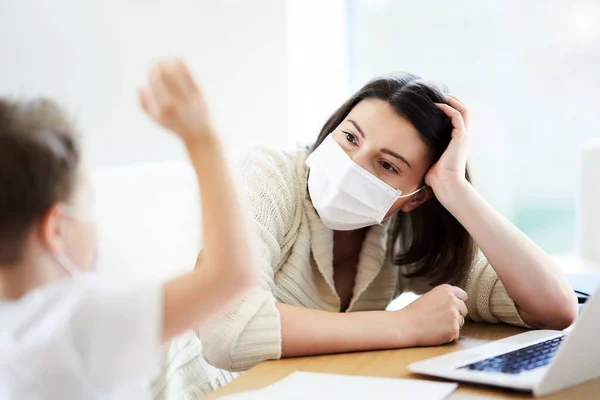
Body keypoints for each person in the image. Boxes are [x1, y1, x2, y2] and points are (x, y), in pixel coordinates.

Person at [155, 73, 578, 397]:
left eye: (387, 165)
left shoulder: (405, 230)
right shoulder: (266, 174)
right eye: (350, 137)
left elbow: (553, 307)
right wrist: (403, 326)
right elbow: (229, 332)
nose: (353, 164)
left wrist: (455, 189)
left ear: (414, 197)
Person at [0, 59, 258, 399]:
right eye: (88, 205)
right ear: (57, 229)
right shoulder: (76, 324)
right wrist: (202, 138)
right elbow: (233, 274)